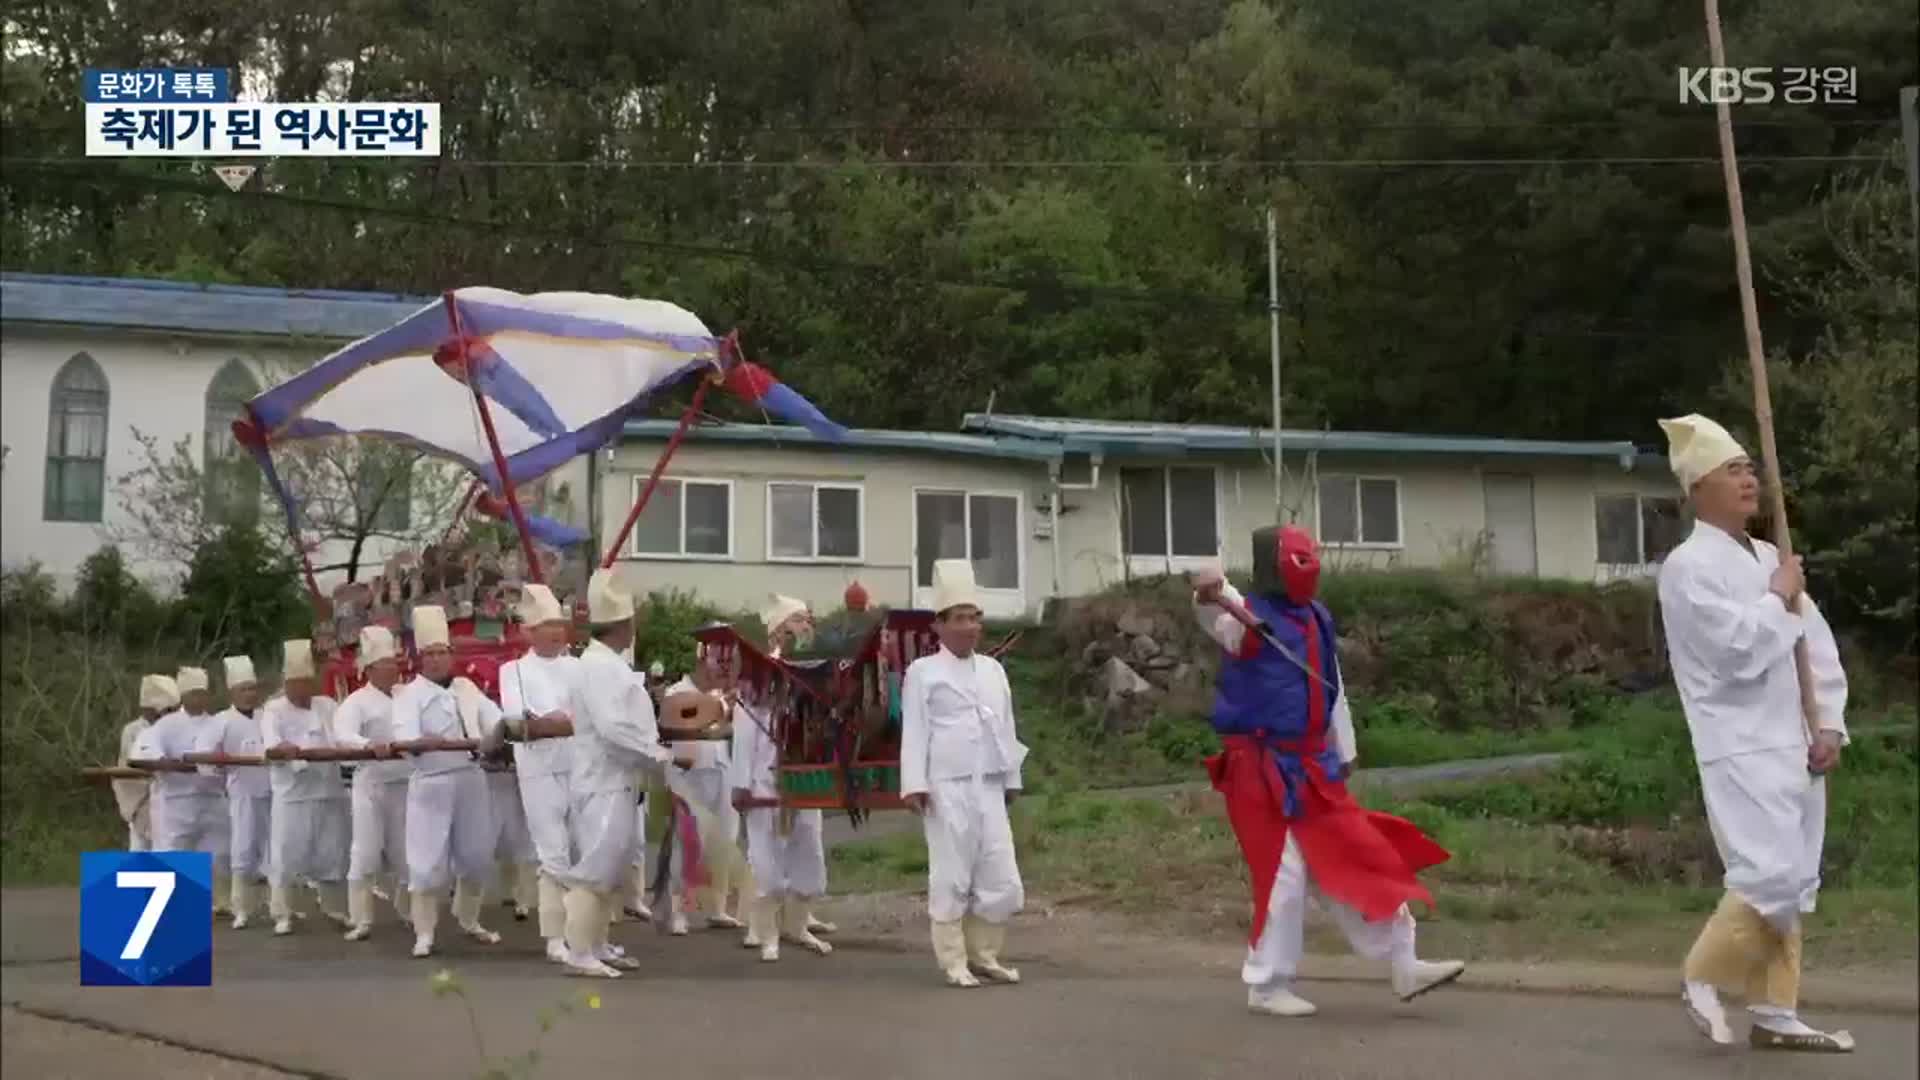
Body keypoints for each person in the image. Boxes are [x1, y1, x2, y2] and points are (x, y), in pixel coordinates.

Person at [1191, 526, 1465, 1018]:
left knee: (1359, 855)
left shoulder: (1317, 618)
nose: (1308, 563)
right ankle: (1267, 985)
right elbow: (1215, 606)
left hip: (1315, 764)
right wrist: (1208, 587)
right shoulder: (1245, 621)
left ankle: (1404, 962)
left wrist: (1345, 748)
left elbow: (1330, 687)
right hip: (1260, 768)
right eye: (1299, 557)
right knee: (1284, 875)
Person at [1655, 414, 1854, 1053]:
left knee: (1793, 878)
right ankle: (1702, 976)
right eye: (1732, 471)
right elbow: (1735, 654)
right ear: (1698, 489)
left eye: (1749, 468)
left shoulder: (1770, 556)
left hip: (1791, 738)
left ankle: (1775, 1011)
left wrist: (1828, 724)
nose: (1749, 480)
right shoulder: (1687, 569)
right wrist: (1776, 599)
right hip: (1738, 742)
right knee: (1765, 870)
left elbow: (1815, 647)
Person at [529, 569, 680, 978]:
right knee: (594, 868)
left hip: (618, 779)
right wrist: (656, 753)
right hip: (603, 780)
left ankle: (595, 944)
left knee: (610, 868)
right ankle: (579, 951)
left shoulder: (606, 663)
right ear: (625, 625)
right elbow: (613, 728)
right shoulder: (597, 666)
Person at [900, 559, 1029, 988]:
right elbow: (915, 730)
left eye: (975, 618)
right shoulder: (923, 672)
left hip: (988, 783)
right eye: (959, 618)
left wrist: (1011, 778)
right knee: (952, 872)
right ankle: (953, 959)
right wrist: (915, 783)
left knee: (999, 871)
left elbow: (1006, 725)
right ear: (939, 626)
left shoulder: (994, 670)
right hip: (945, 786)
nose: (969, 627)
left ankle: (985, 953)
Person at [392, 604, 504, 958]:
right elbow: (403, 737)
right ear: (420, 659)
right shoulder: (408, 694)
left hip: (471, 778)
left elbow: (495, 720)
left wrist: (511, 731)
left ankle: (468, 919)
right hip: (431, 782)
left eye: (442, 652)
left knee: (477, 855)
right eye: (430, 654)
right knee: (425, 863)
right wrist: (420, 743)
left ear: (451, 655)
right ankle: (424, 933)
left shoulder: (467, 687)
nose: (437, 660)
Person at [729, 594, 833, 962]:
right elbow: (744, 731)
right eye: (799, 620)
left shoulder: (820, 671)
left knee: (810, 857)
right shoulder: (761, 673)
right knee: (767, 864)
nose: (807, 626)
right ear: (778, 630)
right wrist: (741, 782)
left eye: (808, 620)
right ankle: (767, 934)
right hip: (765, 781)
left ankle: (799, 926)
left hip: (806, 781)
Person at [497, 584, 581, 964]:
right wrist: (556, 721)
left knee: (582, 850)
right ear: (529, 630)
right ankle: (554, 937)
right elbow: (519, 719)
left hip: (579, 767)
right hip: (538, 770)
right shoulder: (512, 670)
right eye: (546, 625)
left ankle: (583, 931)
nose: (555, 631)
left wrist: (559, 720)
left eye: (558, 624)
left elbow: (585, 713)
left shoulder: (578, 667)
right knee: (553, 853)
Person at [260, 640, 351, 935]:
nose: (302, 688)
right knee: (287, 854)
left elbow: (342, 737)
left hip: (329, 790)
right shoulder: (274, 710)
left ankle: (333, 908)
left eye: (307, 681)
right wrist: (285, 749)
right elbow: (271, 745)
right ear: (287, 683)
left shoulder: (328, 705)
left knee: (332, 852)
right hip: (293, 794)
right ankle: (282, 912)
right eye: (296, 682)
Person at [658, 657, 749, 934]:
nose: (721, 669)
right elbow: (678, 734)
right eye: (716, 663)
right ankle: (677, 912)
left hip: (721, 770)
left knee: (724, 840)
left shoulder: (720, 695)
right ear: (699, 663)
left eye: (725, 663)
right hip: (689, 775)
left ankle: (717, 908)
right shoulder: (677, 694)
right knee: (687, 843)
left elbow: (728, 732)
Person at [130, 667, 232, 913]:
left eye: (203, 693)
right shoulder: (167, 725)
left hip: (213, 799)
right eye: (194, 693)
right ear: (184, 696)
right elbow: (140, 756)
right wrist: (171, 765)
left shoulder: (219, 722)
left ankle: (218, 902)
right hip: (177, 801)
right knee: (173, 855)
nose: (200, 698)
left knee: (219, 854)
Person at [332, 626, 412, 940]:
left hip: (405, 782)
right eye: (386, 664)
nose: (393, 668)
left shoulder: (407, 695)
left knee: (406, 852)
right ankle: (361, 919)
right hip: (372, 783)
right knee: (365, 851)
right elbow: (343, 735)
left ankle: (410, 912)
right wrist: (368, 744)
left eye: (395, 662)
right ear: (370, 669)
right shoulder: (356, 702)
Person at [216, 655, 273, 929]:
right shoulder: (222, 721)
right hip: (242, 792)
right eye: (244, 689)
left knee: (275, 848)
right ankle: (241, 908)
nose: (250, 694)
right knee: (243, 848)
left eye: (253, 688)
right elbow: (210, 757)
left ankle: (277, 905)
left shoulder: (268, 716)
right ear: (232, 692)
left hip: (273, 790)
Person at [116, 674, 178, 852]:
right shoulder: (133, 731)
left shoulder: (176, 727)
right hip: (142, 801)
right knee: (140, 854)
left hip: (174, 801)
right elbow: (130, 767)